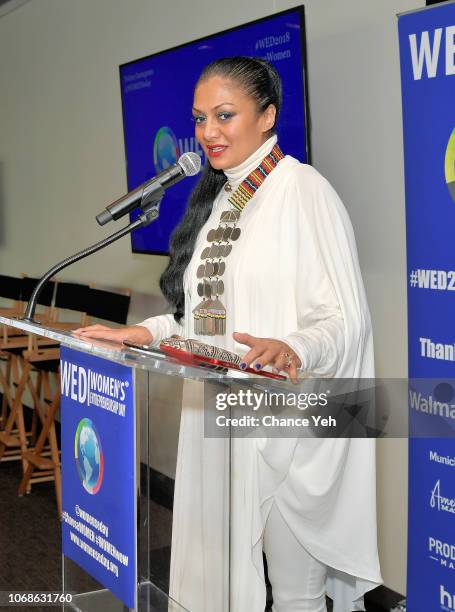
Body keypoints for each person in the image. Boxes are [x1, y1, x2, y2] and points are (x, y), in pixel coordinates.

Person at [75, 57, 382, 612]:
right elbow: (202, 322)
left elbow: (345, 319)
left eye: (224, 115)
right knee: (220, 582)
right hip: (225, 419)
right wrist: (138, 333)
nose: (207, 133)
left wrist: (295, 347)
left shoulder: (303, 191)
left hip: (294, 424)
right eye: (199, 119)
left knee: (297, 596)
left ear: (267, 117)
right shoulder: (220, 202)